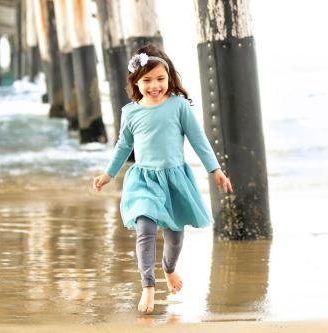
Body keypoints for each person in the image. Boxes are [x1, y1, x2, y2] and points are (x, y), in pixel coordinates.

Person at [92, 44, 233, 314]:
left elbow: (198, 139)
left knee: (175, 238)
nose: (154, 85)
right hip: (144, 179)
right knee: (145, 228)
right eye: (147, 80)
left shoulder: (178, 106)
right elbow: (123, 146)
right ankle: (148, 287)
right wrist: (108, 174)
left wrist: (214, 169)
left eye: (160, 78)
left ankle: (169, 268)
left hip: (174, 180)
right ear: (136, 81)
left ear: (169, 78)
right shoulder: (130, 112)